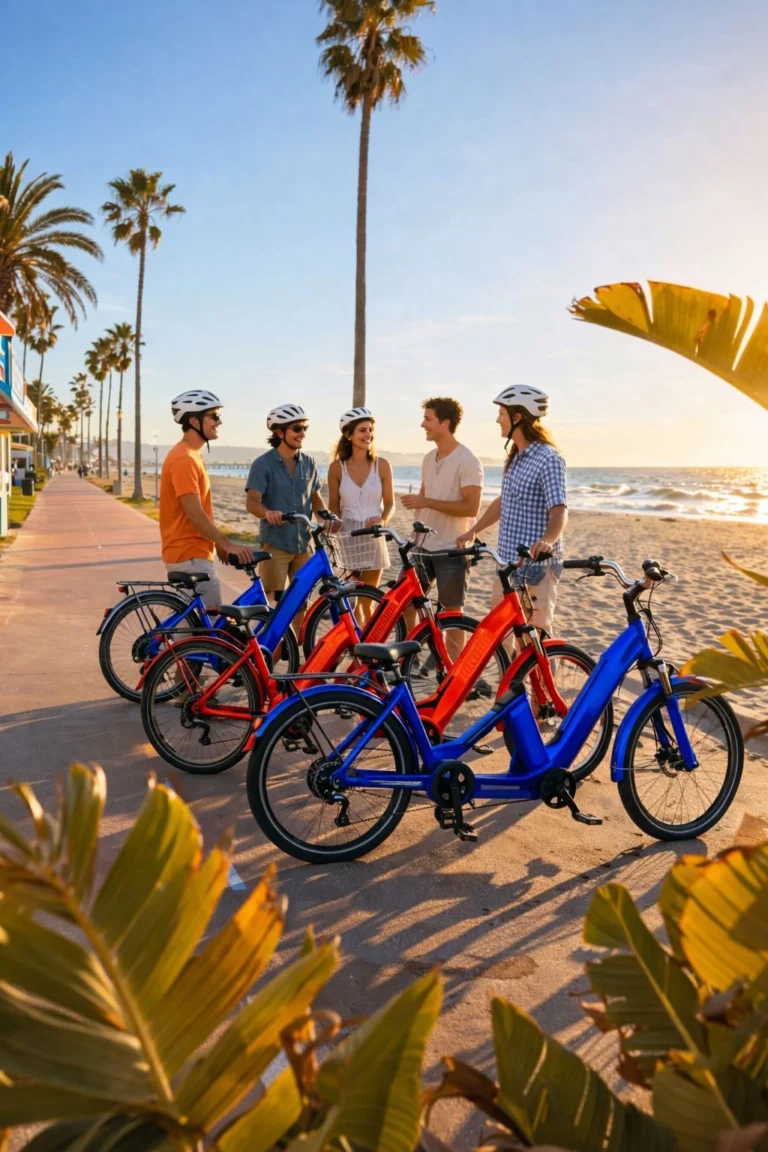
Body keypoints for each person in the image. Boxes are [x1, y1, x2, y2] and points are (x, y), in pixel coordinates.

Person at [457, 386, 567, 638]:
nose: (497, 419)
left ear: (517, 417)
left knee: (535, 639)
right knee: (505, 636)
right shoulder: (516, 456)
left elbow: (559, 510)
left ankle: (540, 679)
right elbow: (504, 501)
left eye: (501, 413)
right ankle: (513, 680)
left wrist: (547, 541)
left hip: (537, 566)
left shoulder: (548, 458)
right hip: (507, 563)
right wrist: (473, 531)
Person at [401, 397, 483, 657]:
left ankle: (453, 676)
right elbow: (424, 498)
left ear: (445, 423)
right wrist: (415, 535)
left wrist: (427, 502)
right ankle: (405, 660)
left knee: (452, 614)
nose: (422, 424)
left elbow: (471, 508)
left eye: (428, 419)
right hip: (423, 547)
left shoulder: (468, 460)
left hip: (452, 549)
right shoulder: (428, 458)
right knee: (407, 604)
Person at [159, 390, 253, 610]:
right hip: (189, 555)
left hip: (192, 553)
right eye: (214, 416)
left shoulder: (191, 455)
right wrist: (226, 543)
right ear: (194, 421)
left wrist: (215, 543)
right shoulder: (184, 458)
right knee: (207, 634)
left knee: (195, 628)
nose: (219, 421)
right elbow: (193, 512)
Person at [245, 404, 327, 627]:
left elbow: (315, 497)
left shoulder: (309, 463)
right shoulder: (263, 464)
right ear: (279, 432)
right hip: (276, 544)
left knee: (301, 602)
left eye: (305, 428)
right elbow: (252, 501)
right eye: (297, 428)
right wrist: (268, 512)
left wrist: (326, 516)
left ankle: (294, 653)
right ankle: (271, 650)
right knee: (274, 601)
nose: (303, 434)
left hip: (304, 544)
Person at [328, 407, 394, 623]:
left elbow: (390, 504)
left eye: (371, 430)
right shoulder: (337, 468)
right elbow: (334, 507)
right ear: (349, 435)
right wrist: (333, 527)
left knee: (367, 600)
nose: (368, 435)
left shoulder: (382, 465)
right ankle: (357, 643)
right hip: (349, 536)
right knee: (351, 597)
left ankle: (366, 648)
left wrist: (383, 520)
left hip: (374, 535)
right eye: (362, 430)